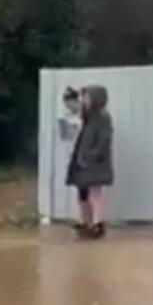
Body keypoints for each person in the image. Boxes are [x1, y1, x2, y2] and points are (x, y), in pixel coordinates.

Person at [66, 85, 113, 240]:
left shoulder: (102, 118)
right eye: (83, 98)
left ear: (96, 100)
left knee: (94, 193)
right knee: (83, 194)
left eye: (87, 98)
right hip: (82, 162)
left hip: (94, 163)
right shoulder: (87, 117)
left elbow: (104, 142)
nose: (84, 101)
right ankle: (87, 223)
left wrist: (92, 156)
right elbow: (72, 109)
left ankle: (98, 224)